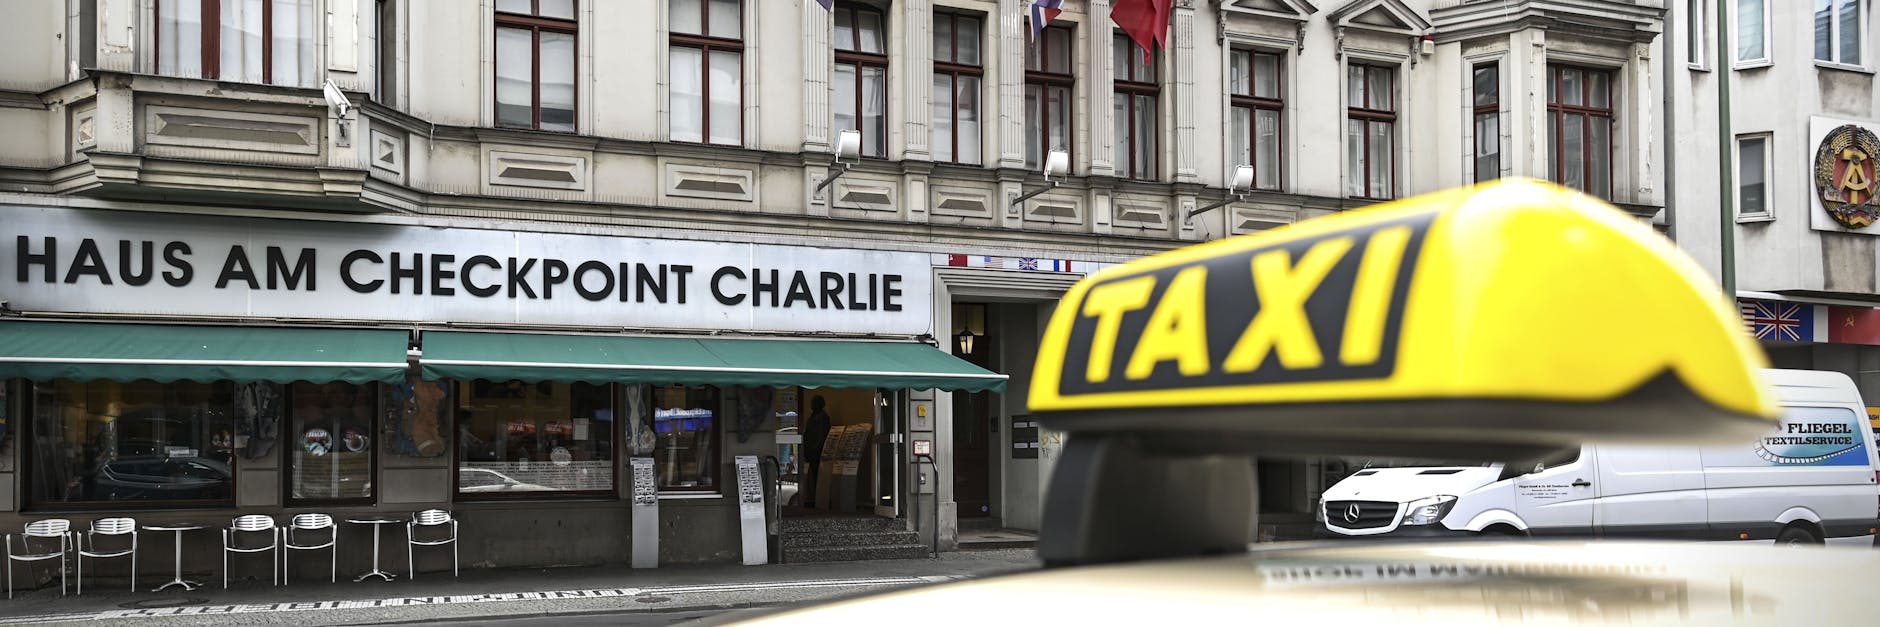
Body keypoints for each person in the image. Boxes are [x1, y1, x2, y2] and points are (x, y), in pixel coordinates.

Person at [802, 396, 832, 508]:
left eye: (813, 402)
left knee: (817, 474)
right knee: (813, 474)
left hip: (816, 450)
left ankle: (816, 499)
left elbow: (821, 435)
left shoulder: (822, 417)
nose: (811, 405)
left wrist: (815, 447)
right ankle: (813, 497)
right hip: (811, 449)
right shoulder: (814, 416)